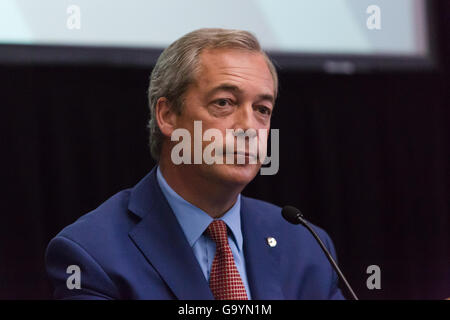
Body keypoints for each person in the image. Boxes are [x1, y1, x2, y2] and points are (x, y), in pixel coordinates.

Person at [45, 28, 345, 300]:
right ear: (167, 115)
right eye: (224, 103)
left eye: (262, 109)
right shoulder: (91, 253)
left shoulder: (307, 247)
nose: (249, 127)